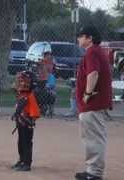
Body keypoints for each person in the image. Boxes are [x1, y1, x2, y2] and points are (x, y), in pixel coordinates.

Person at [75, 25, 112, 180]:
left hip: (93, 103)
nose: (78, 38)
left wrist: (87, 94)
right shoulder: (96, 51)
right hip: (94, 104)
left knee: (94, 138)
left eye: (81, 36)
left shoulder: (92, 52)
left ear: (89, 38)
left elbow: (93, 73)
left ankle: (95, 173)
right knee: (92, 138)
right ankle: (92, 170)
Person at [11, 71, 40, 172]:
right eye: (20, 81)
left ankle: (27, 163)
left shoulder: (30, 97)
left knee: (27, 143)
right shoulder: (21, 95)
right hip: (20, 123)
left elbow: (35, 113)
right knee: (20, 142)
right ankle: (21, 160)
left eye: (23, 81)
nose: (20, 83)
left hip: (27, 124)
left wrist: (30, 122)